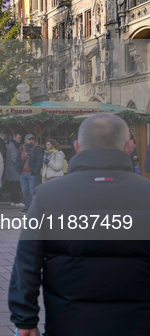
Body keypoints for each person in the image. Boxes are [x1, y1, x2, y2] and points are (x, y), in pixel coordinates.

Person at [8, 113, 150, 336]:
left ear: (77, 146)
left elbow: (27, 264)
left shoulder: (47, 196)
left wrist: (25, 320)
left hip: (69, 325)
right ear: (129, 146)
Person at [15, 134, 43, 214]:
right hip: (22, 174)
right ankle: (27, 207)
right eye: (29, 139)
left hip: (32, 174)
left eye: (32, 139)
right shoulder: (21, 148)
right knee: (24, 191)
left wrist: (35, 171)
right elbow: (17, 160)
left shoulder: (37, 149)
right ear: (25, 140)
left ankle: (35, 209)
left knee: (33, 191)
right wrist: (18, 169)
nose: (31, 141)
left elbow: (39, 161)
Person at [5, 132, 23, 207]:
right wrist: (21, 164)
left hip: (12, 169)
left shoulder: (12, 145)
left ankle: (13, 201)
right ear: (14, 138)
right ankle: (17, 201)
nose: (19, 139)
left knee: (13, 187)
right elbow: (14, 159)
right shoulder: (13, 146)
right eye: (18, 138)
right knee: (16, 186)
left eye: (20, 138)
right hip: (14, 170)